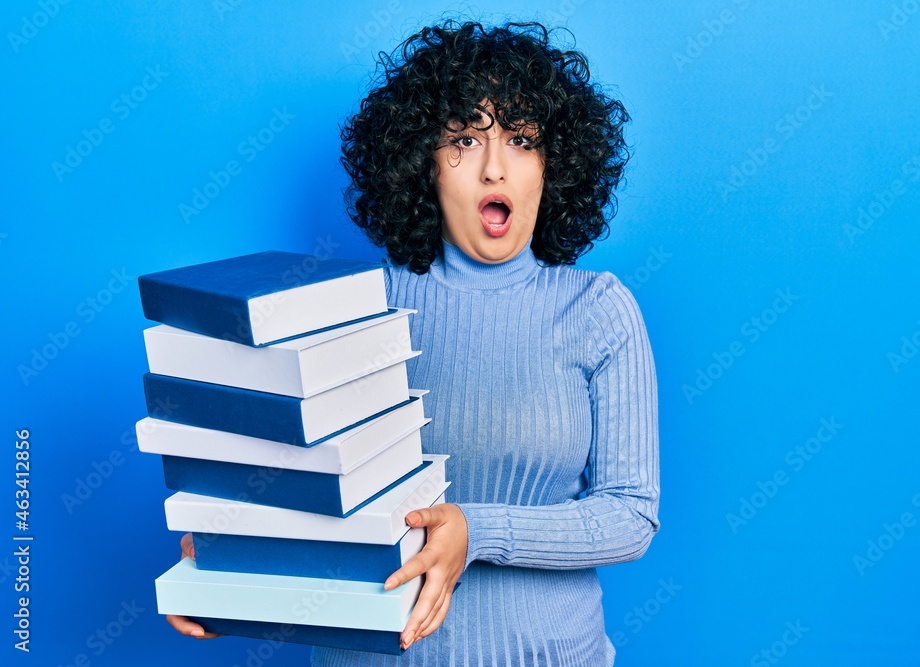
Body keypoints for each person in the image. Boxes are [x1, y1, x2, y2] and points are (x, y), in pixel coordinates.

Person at [170, 19, 659, 666]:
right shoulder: (350, 307)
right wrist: (223, 555)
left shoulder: (599, 310)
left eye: (520, 140)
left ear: (555, 164)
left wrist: (475, 528)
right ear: (422, 163)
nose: (494, 168)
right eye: (463, 138)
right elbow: (286, 488)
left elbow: (630, 514)